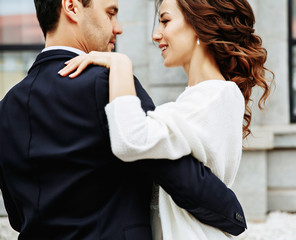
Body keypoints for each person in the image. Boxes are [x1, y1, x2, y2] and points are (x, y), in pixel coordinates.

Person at [0, 0, 247, 239]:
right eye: (110, 13)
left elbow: (17, 216)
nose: (118, 27)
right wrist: (233, 214)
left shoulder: (7, 107)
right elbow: (182, 178)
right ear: (72, 7)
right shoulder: (109, 83)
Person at [60, 0, 272, 239]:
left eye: (165, 21)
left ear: (199, 26)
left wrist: (120, 63)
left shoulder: (216, 95)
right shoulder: (199, 98)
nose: (156, 35)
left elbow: (131, 140)